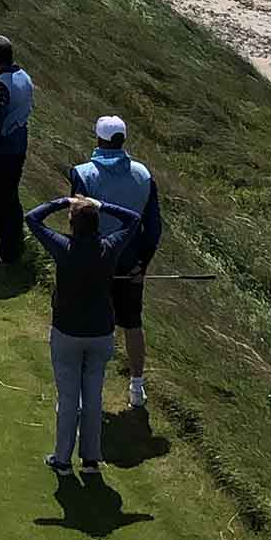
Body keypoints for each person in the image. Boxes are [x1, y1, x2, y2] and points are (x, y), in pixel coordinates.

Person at [26, 194, 141, 475]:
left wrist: (62, 201)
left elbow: (32, 218)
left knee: (68, 399)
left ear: (73, 224)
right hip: (100, 333)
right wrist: (101, 204)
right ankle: (90, 460)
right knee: (93, 398)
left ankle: (62, 460)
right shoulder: (109, 247)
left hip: (67, 332)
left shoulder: (63, 247)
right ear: (96, 223)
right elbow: (134, 219)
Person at [70, 116, 162, 408]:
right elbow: (154, 227)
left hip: (96, 261)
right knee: (132, 322)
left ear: (98, 139)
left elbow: (77, 222)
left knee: (91, 325)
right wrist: (142, 265)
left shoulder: (83, 174)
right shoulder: (143, 174)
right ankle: (137, 388)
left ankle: (87, 391)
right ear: (123, 139)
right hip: (131, 261)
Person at [0, 35, 33, 265]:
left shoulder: (0, 85)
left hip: (1, 151)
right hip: (18, 145)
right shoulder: (24, 76)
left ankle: (7, 251)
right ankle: (16, 243)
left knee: (0, 201)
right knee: (11, 199)